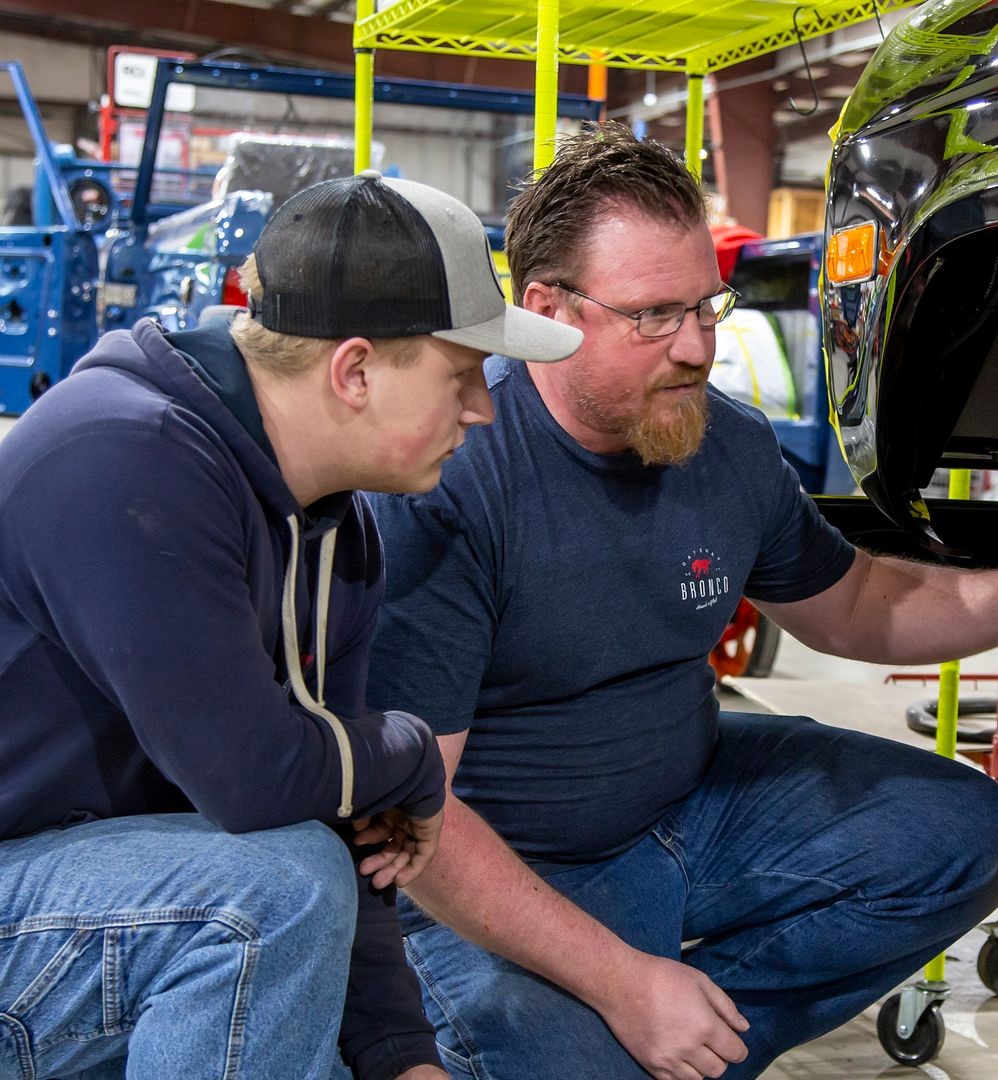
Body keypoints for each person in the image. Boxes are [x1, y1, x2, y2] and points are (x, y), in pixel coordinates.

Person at [367, 123, 998, 1080]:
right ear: (548, 308)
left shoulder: (722, 445)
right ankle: (633, 1024)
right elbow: (412, 819)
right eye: (653, 315)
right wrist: (621, 984)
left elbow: (858, 604)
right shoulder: (457, 478)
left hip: (692, 810)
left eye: (707, 305)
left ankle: (696, 1041)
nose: (696, 347)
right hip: (503, 872)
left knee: (963, 837)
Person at [0, 171, 581, 1079]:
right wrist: (411, 752)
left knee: (297, 912)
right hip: (23, 901)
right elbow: (256, 779)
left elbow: (349, 819)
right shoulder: (124, 456)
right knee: (268, 896)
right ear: (353, 370)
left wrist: (402, 1057)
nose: (482, 408)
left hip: (85, 904)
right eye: (462, 375)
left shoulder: (336, 532)